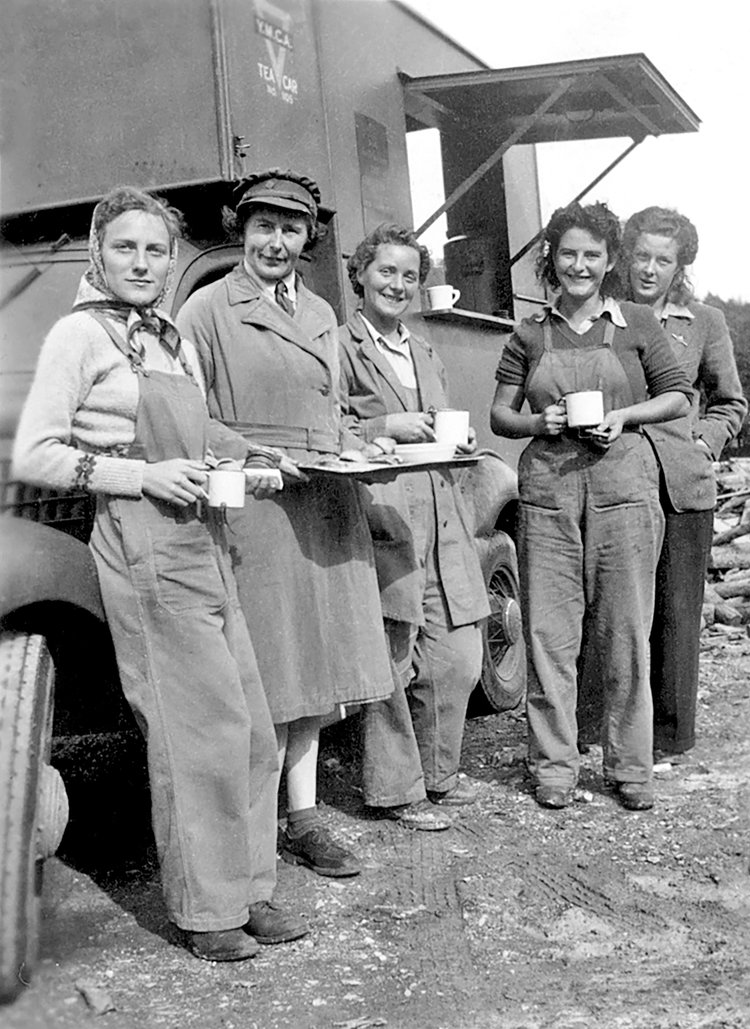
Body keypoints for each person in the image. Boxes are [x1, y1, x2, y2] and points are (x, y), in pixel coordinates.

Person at [12, 186, 307, 962]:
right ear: (97, 252)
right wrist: (138, 476)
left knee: (245, 722)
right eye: (126, 248)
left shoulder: (170, 335)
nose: (142, 263)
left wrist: (248, 451)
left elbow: (196, 426)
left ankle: (250, 889)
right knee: (193, 733)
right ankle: (207, 912)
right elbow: (36, 453)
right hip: (143, 538)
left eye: (155, 250)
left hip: (204, 534)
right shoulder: (78, 336)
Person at [176, 170, 393, 876]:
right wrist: (257, 453)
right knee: (264, 672)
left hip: (324, 503)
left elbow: (329, 411)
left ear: (309, 238)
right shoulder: (206, 311)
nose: (276, 241)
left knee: (313, 667)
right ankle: (253, 835)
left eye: (291, 228)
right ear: (240, 229)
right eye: (263, 225)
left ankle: (303, 817)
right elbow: (188, 416)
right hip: (260, 505)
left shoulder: (324, 314)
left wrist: (362, 447)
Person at [489, 201, 693, 812]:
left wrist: (624, 415)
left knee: (625, 631)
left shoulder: (634, 322)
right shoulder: (528, 332)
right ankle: (554, 764)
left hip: (623, 492)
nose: (579, 265)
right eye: (569, 252)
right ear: (552, 256)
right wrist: (538, 419)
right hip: (549, 495)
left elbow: (679, 397)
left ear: (610, 263)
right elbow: (500, 415)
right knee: (549, 634)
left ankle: (630, 766)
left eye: (593, 255)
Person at [339, 224, 490, 830]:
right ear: (361, 276)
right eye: (386, 272)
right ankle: (397, 790)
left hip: (441, 509)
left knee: (458, 654)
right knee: (391, 654)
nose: (397, 284)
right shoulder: (337, 344)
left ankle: (439, 773)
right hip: (383, 512)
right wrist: (384, 428)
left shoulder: (424, 348)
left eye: (409, 275)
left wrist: (466, 439)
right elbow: (323, 429)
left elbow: (442, 424)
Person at [619, 207, 745, 760]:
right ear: (625, 257)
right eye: (641, 256)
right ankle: (602, 733)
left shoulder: (705, 322)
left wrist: (702, 444)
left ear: (680, 264)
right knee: (616, 609)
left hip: (680, 487)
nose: (649, 269)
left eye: (662, 260)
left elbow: (729, 401)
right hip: (616, 479)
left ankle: (668, 740)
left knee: (674, 615)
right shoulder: (605, 315)